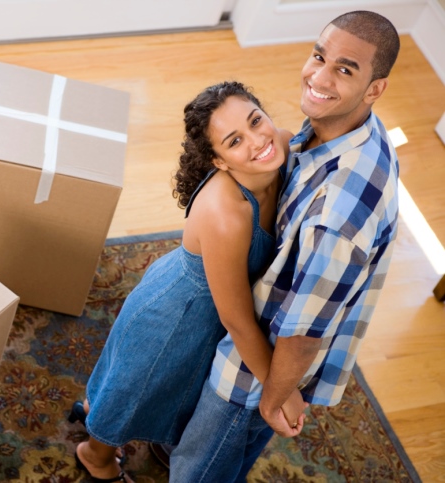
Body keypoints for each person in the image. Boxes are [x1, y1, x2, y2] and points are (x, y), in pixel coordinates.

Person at [168, 10, 401, 482]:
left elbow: (303, 332)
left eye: (345, 69)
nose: (318, 76)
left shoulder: (336, 218)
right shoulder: (347, 127)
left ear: (375, 88)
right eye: (319, 56)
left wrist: (275, 395)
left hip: (255, 371)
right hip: (268, 340)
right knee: (227, 458)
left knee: (197, 468)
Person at [68, 81, 306, 483]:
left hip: (210, 309)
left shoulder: (280, 145)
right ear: (220, 161)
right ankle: (95, 455)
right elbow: (238, 322)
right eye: (235, 141)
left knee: (167, 391)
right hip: (177, 314)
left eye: (255, 120)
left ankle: (102, 414)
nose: (258, 141)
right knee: (136, 390)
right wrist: (280, 390)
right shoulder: (225, 214)